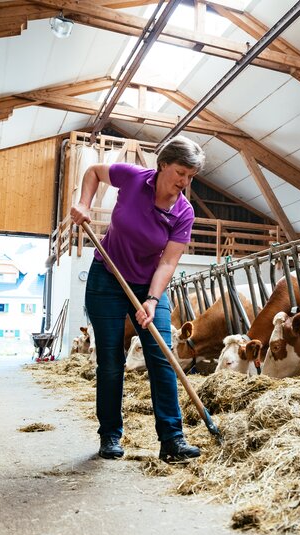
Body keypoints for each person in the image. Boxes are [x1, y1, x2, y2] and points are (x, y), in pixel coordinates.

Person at [70, 136, 204, 462]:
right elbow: (93, 172)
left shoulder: (184, 213)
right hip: (107, 277)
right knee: (112, 361)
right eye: (180, 173)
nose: (184, 182)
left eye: (190, 176)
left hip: (148, 286)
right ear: (162, 165)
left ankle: (172, 441)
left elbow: (168, 262)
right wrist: (84, 204)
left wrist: (153, 300)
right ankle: (110, 437)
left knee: (162, 356)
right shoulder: (132, 178)